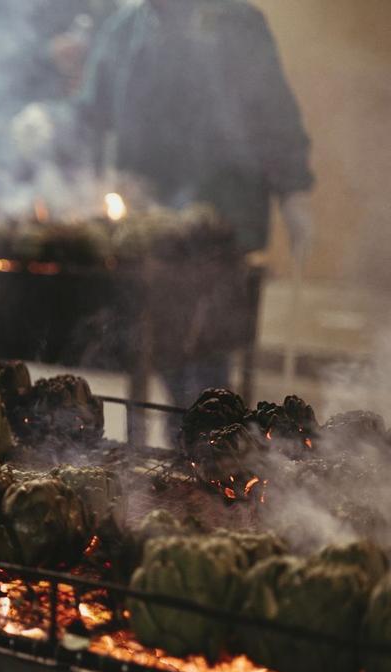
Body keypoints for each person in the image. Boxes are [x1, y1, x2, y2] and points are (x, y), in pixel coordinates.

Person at [75, 0, 314, 405]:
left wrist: (295, 192)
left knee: (203, 353)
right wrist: (49, 124)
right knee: (168, 350)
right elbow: (90, 112)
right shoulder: (123, 29)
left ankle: (207, 441)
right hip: (152, 226)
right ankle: (199, 440)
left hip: (220, 222)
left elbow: (274, 113)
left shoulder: (238, 22)